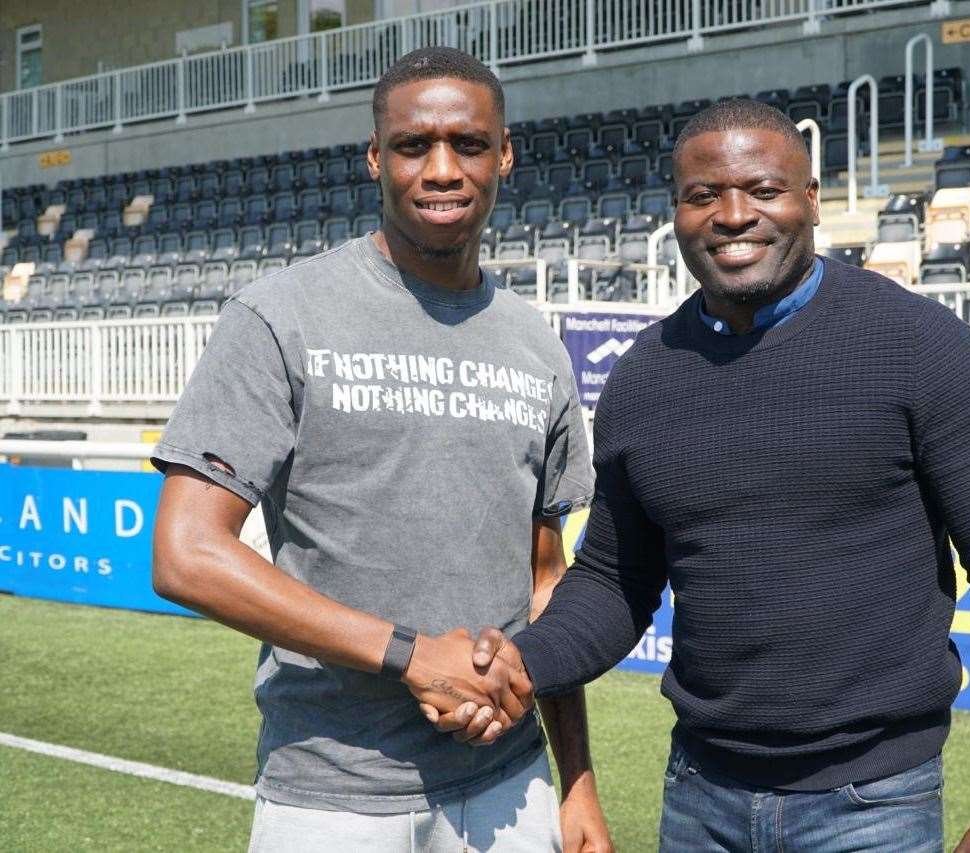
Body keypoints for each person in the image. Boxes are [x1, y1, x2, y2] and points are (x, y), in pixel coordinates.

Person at [454, 99, 970, 851]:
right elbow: (616, 580)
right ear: (676, 211)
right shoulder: (642, 377)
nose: (733, 215)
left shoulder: (916, 343)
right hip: (699, 800)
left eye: (764, 190)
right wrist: (523, 661)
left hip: (876, 805)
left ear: (811, 202)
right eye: (703, 195)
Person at [150, 46, 610, 853]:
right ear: (374, 158)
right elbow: (186, 553)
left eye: (468, 144)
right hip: (330, 797)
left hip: (512, 785)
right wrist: (410, 656)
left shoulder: (538, 345)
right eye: (412, 145)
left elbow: (544, 582)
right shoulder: (279, 316)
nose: (441, 169)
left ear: (503, 154)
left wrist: (576, 784)